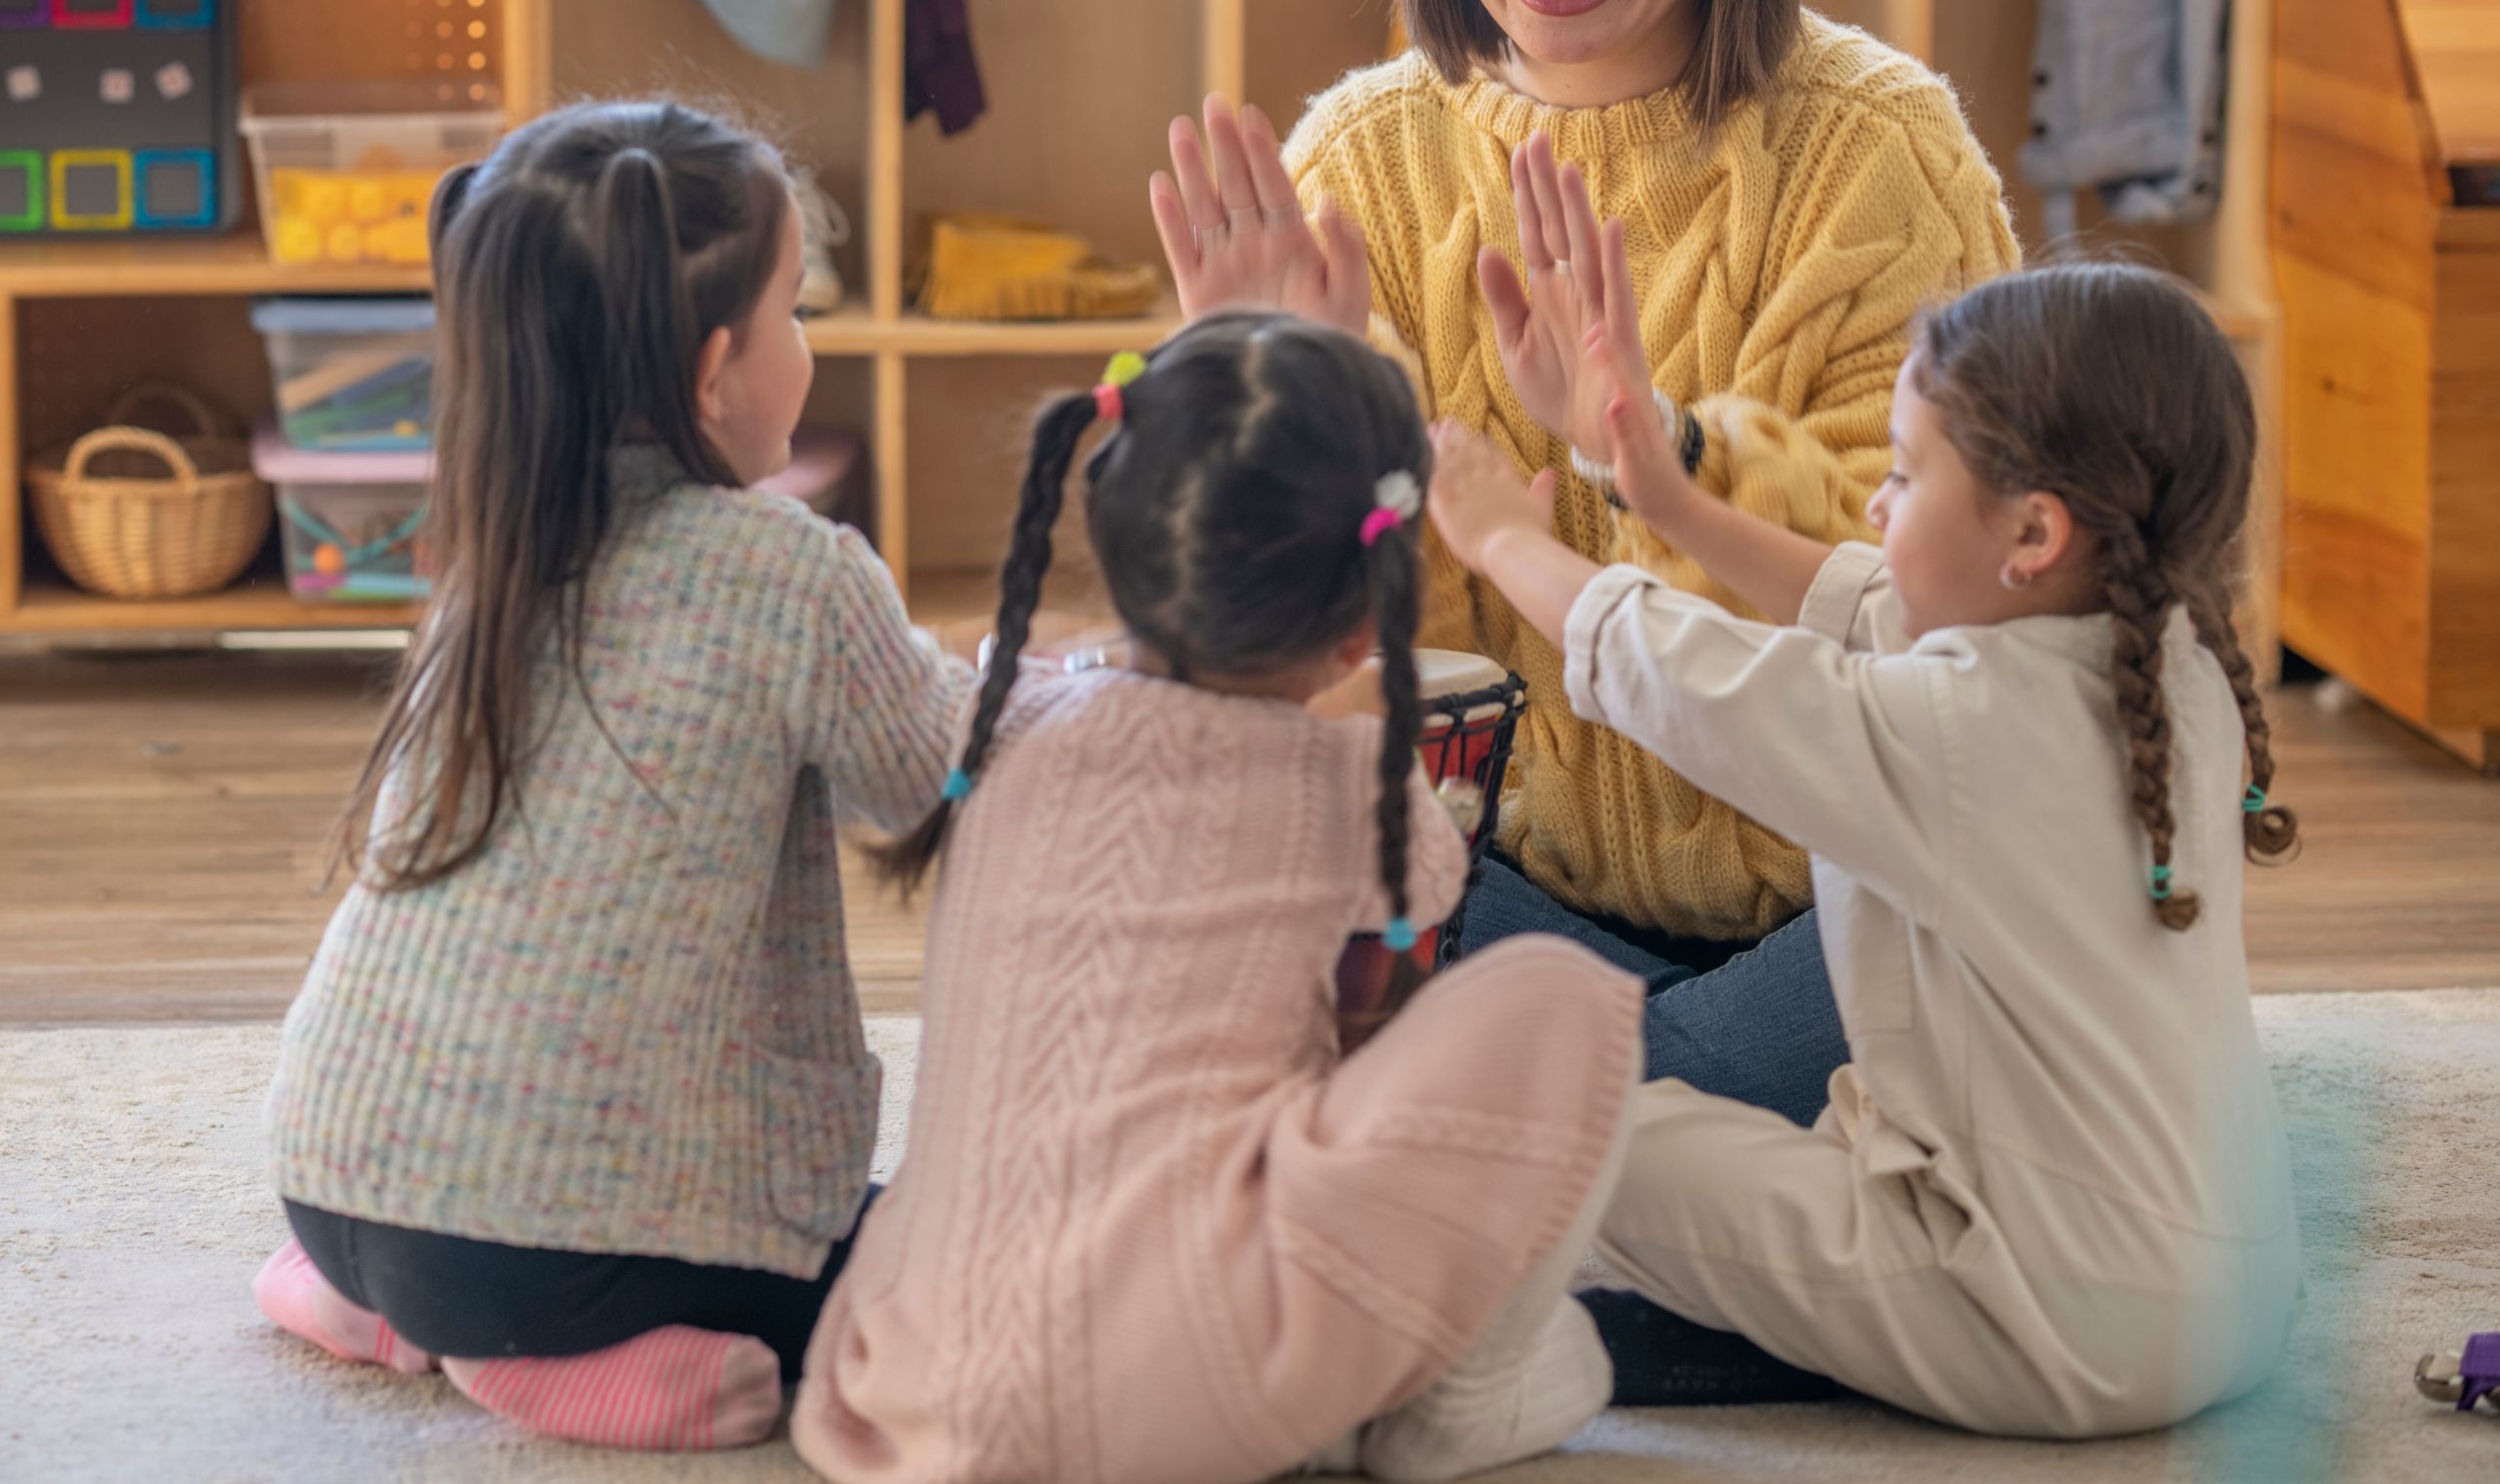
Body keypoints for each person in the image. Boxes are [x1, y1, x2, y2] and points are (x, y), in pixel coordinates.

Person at [1151, 0, 2019, 1126]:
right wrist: (1270, 436)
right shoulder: (1366, 154)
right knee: (1214, 885)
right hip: (1501, 897)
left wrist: (1653, 454)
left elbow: (1938, 623)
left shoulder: (1878, 152)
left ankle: (1541, 1178)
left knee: (1983, 947)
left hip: (1834, 911)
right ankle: (1615, 1183)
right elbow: (1307, 691)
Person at [1421, 256, 2302, 1434]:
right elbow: (1865, 597)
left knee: (1540, 1123)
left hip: (2044, 1315)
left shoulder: (1949, 731)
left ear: (2034, 532)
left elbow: (1673, 671)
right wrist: (1670, 504)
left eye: (1902, 474)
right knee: (1691, 1132)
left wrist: (1496, 542)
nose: (1877, 506)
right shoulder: (2169, 664)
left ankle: (1551, 1356)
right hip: (2226, 1297)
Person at [796, 314, 1644, 1484]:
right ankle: (1454, 1402)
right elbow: (1384, 1006)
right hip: (1169, 1387)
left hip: (905, 1378)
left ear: (1112, 524)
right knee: (1564, 1000)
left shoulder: (997, 720)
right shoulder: (1353, 786)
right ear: (1365, 621)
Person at [253, 101, 972, 1451]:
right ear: (715, 372)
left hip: (330, 1180)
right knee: (932, 1256)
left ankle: (387, 1308)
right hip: (551, 1258)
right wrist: (1064, 690)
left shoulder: (496, 556)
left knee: (467, 1224)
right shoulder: (785, 572)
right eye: (792, 314)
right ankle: (537, 1364)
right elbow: (938, 772)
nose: (805, 347)